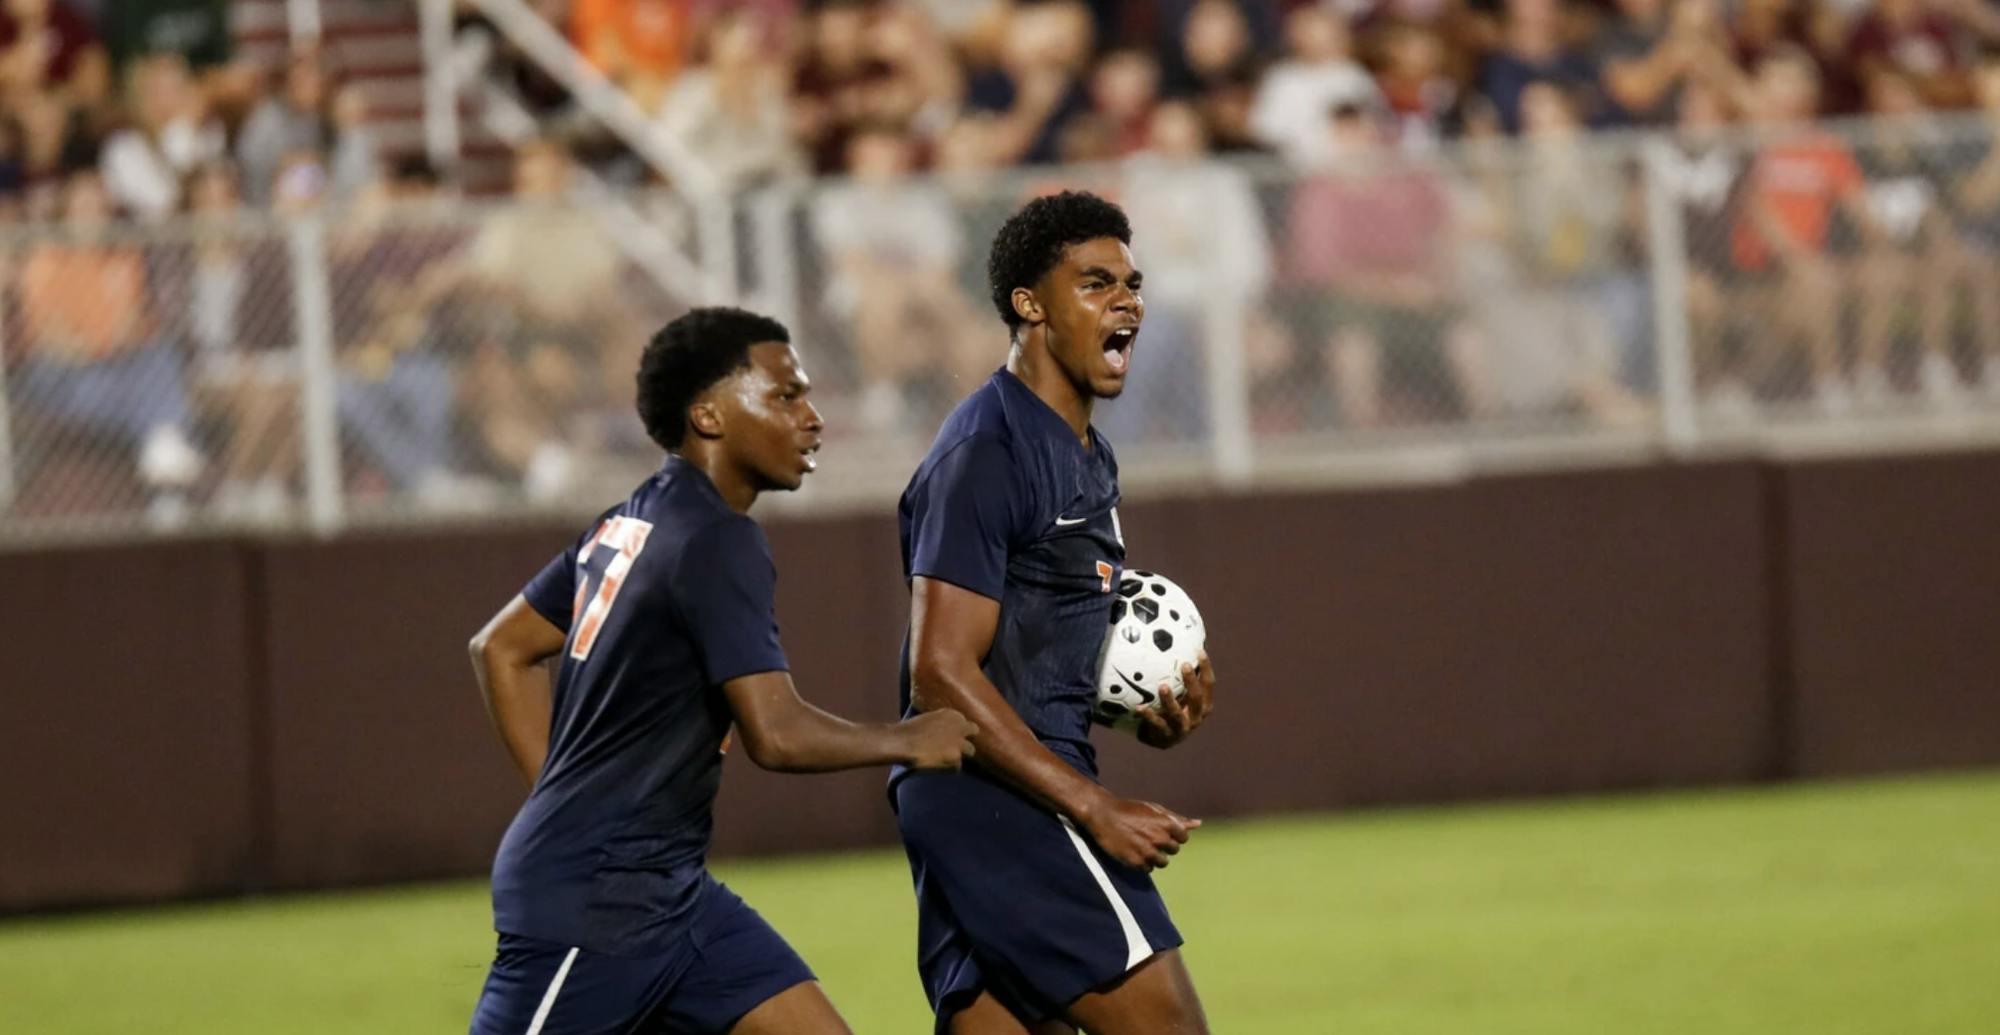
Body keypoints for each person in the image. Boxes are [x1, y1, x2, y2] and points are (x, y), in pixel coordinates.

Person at [465, 306, 979, 1035]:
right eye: (785, 396)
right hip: (596, 904)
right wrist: (908, 739)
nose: (813, 417)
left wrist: (563, 795)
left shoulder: (631, 519)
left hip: (673, 896)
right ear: (707, 415)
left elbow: (501, 649)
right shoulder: (716, 539)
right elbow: (776, 732)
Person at [892, 190, 1219, 1035]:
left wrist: (1148, 716)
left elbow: (1038, 654)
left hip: (998, 792)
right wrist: (1091, 805)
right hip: (1000, 801)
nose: (1127, 302)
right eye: (1095, 282)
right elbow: (939, 673)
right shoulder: (986, 451)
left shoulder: (1089, 455)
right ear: (1029, 306)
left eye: (1132, 283)